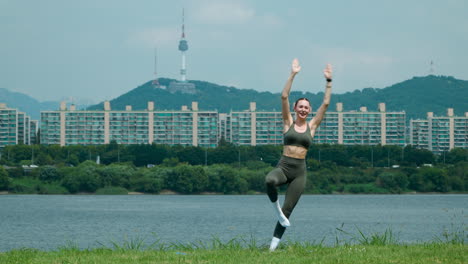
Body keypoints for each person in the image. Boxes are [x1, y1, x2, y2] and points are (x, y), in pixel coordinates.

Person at [265, 58, 332, 251]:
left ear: (309, 110)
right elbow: (284, 96)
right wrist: (293, 74)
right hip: (284, 167)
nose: (303, 109)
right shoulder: (288, 122)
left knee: (289, 210)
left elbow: (326, 104)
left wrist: (328, 81)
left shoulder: (312, 126)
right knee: (270, 180)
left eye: (306, 107)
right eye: (300, 106)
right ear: (295, 109)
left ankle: (271, 250)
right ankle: (276, 211)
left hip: (299, 172)